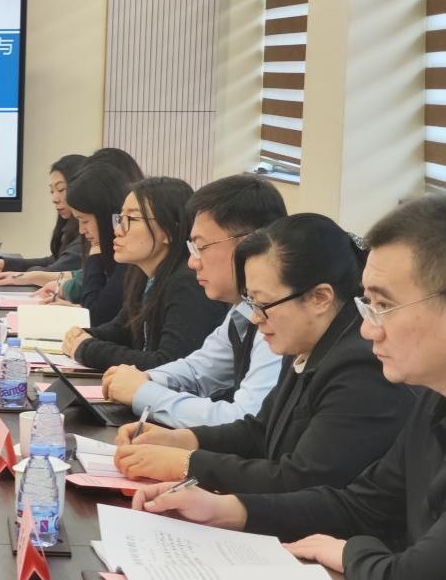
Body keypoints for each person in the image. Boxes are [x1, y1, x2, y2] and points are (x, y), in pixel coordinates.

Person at [131, 195, 446, 580]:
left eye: (383, 306)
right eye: (368, 304)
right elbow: (362, 503)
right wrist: (227, 509)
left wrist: (347, 551)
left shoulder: (365, 368)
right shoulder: (433, 399)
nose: (368, 329)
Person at [114, 213, 413, 493]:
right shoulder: (303, 340)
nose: (256, 318)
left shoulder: (360, 366)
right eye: (250, 302)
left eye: (263, 304)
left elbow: (301, 479)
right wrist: (181, 439)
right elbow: (260, 430)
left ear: (320, 298)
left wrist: (186, 464)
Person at [101, 174, 287, 427]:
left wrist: (142, 392)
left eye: (202, 247)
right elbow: (199, 370)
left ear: (248, 245)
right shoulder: (243, 309)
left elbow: (243, 419)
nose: (193, 262)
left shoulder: (281, 316)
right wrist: (145, 379)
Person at [63, 177, 226, 371]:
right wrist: (83, 335)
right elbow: (122, 329)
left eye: (131, 219)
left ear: (168, 231)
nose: (118, 230)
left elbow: (167, 364)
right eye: (119, 219)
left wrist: (88, 348)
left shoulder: (188, 283)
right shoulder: (144, 274)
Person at [32, 159, 132, 325]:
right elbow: (98, 313)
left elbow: (96, 316)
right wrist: (77, 309)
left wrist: (95, 253)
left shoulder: (128, 260)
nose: (81, 230)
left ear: (106, 215)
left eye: (84, 221)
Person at [0, 154, 86, 282]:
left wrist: (23, 275)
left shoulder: (87, 232)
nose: (54, 199)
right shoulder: (70, 226)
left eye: (61, 189)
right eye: (52, 191)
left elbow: (54, 271)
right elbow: (54, 261)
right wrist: (7, 264)